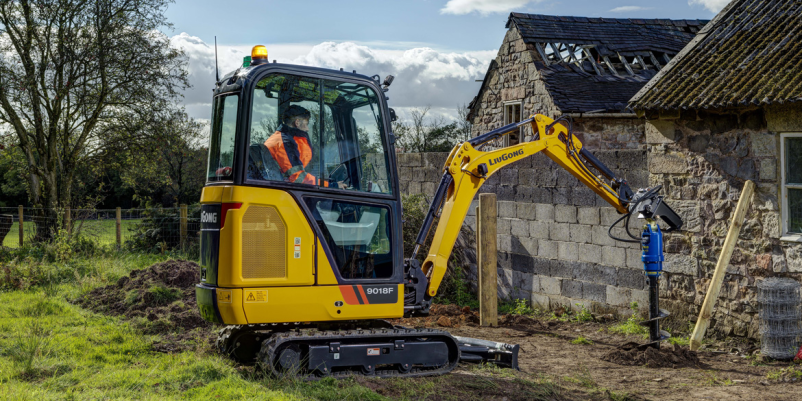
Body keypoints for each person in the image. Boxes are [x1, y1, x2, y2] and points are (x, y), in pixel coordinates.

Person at [264, 105, 346, 188]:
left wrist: (327, 182)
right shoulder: (285, 143)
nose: (307, 129)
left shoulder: (279, 138)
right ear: (297, 122)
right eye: (306, 124)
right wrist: (332, 185)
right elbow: (298, 178)